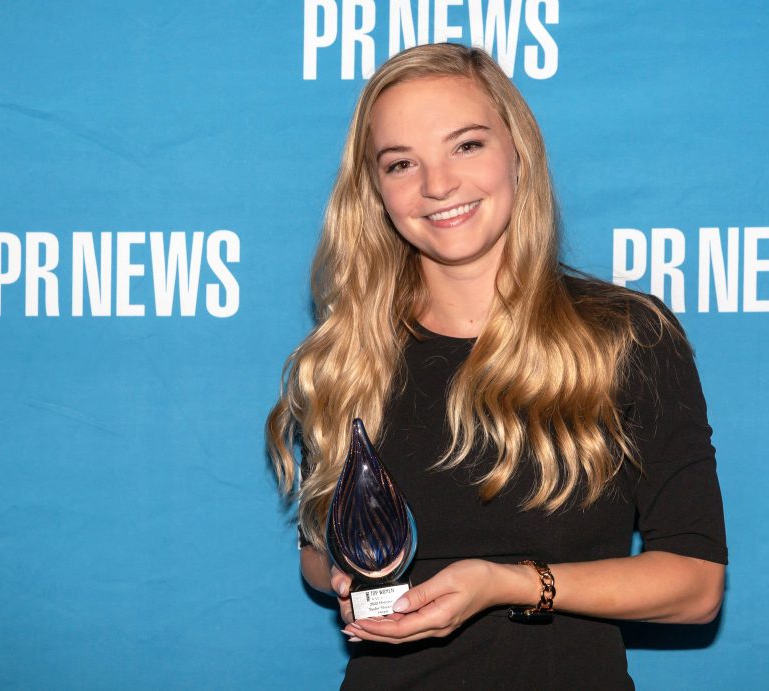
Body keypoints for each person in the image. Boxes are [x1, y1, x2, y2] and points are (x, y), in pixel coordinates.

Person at [267, 42, 727, 690]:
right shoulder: (345, 358)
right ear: (374, 190)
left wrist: (506, 583)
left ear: (517, 149)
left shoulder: (627, 339)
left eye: (466, 145)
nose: (437, 184)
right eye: (401, 163)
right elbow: (317, 556)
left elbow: (696, 583)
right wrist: (345, 577)